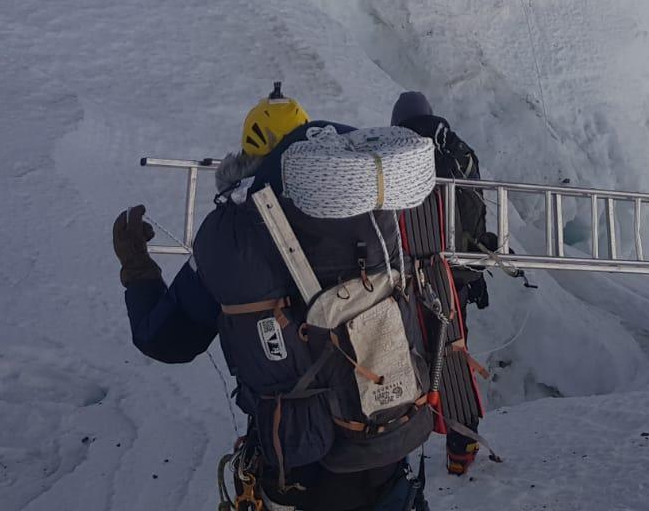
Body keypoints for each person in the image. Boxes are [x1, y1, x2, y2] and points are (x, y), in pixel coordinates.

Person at [113, 85, 429, 511]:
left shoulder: (228, 234)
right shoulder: (367, 209)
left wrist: (138, 271)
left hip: (303, 464)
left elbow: (167, 341)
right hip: (386, 436)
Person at [390, 92, 492, 476]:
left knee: (398, 359)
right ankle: (461, 448)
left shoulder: (391, 152)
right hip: (450, 276)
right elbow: (474, 213)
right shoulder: (456, 151)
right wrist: (475, 273)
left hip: (399, 277)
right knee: (449, 353)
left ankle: (390, 450)